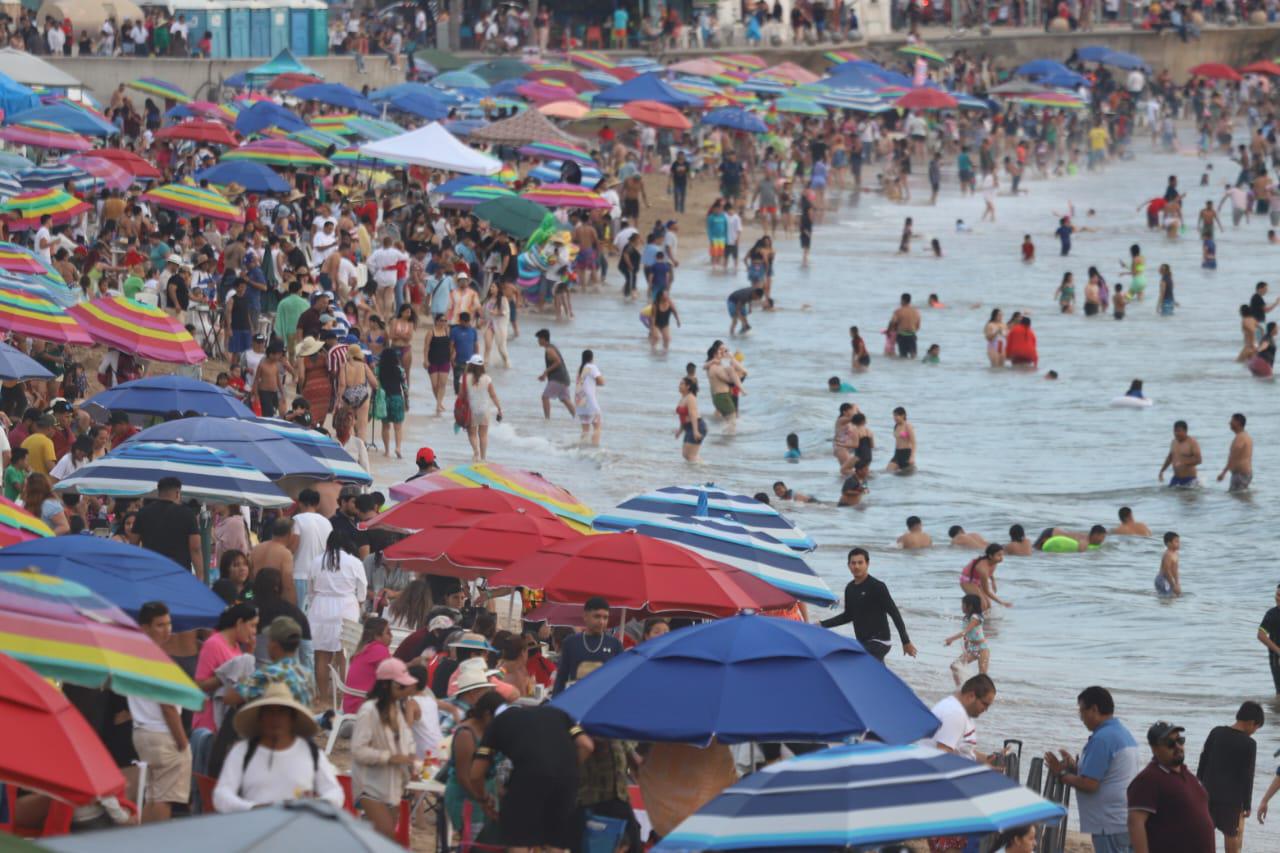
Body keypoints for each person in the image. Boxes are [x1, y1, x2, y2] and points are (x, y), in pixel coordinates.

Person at [467, 702, 595, 851]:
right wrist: (566, 769)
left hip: (528, 778)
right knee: (556, 842)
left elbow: (475, 774)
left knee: (520, 840)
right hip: (567, 781)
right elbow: (587, 745)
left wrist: (483, 800)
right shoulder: (558, 714)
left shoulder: (498, 722)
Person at [213, 683, 343, 813]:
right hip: (255, 827)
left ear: (292, 718)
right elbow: (221, 794)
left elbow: (335, 792)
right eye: (270, 712)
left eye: (282, 712)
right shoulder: (243, 751)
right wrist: (252, 808)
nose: (276, 719)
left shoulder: (310, 752)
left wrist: (316, 805)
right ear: (261, 717)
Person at [1043, 686, 1142, 853]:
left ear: (1094, 709)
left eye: (1082, 711)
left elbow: (1090, 784)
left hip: (1109, 825)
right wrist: (1076, 768)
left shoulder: (1103, 739)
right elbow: (1106, 774)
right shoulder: (1122, 733)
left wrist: (1060, 773)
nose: (1081, 717)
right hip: (1122, 821)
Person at [130, 602, 191, 823]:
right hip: (163, 734)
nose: (167, 630)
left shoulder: (135, 656)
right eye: (159, 625)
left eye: (168, 624)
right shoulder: (156, 659)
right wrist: (183, 743)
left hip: (143, 732)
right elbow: (167, 707)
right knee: (163, 799)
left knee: (153, 797)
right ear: (145, 628)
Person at [351, 657, 420, 838]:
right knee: (386, 835)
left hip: (393, 784)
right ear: (386, 685)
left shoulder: (396, 709)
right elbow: (358, 750)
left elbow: (407, 740)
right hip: (369, 785)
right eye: (400, 686)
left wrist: (411, 760)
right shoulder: (369, 711)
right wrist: (389, 757)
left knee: (377, 840)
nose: (405, 691)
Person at [1126, 721, 1215, 853]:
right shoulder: (1148, 779)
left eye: (1180, 740)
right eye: (1170, 743)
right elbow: (1135, 823)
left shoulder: (1187, 774)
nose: (1178, 746)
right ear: (1154, 748)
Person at [819, 548, 917, 662]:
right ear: (848, 565)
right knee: (876, 675)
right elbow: (848, 616)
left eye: (860, 563)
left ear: (867, 564)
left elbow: (894, 613)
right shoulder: (850, 588)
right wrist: (822, 624)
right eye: (853, 563)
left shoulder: (877, 586)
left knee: (851, 658)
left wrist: (905, 641)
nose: (856, 566)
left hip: (880, 641)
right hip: (864, 643)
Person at [307, 531, 367, 704]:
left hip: (320, 609)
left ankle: (325, 699)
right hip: (347, 608)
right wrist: (359, 602)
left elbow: (311, 591)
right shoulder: (354, 562)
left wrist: (316, 602)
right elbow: (362, 590)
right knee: (345, 655)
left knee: (322, 656)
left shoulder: (316, 561)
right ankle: (344, 698)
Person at [1196, 701, 1263, 853]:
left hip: (1207, 793)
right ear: (1252, 723)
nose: (1254, 732)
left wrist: (1198, 784)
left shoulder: (1216, 732)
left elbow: (1203, 759)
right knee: (1231, 834)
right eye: (1256, 728)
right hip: (1231, 799)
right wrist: (1247, 804)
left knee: (1204, 833)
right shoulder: (1249, 744)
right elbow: (1248, 776)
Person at [552, 596, 623, 695]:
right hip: (576, 699)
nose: (601, 622)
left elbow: (620, 679)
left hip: (603, 700)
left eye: (605, 617)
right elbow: (561, 678)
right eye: (597, 616)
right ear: (585, 616)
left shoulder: (615, 644)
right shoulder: (570, 643)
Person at [133, 477, 201, 578]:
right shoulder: (188, 514)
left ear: (159, 492)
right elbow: (195, 548)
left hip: (150, 571)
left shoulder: (143, 513)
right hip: (179, 572)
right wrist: (200, 577)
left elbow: (133, 544)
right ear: (178, 492)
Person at [930, 673, 998, 764]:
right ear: (971, 696)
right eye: (984, 704)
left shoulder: (960, 710)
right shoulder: (955, 714)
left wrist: (989, 760)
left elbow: (965, 751)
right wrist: (981, 769)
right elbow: (942, 756)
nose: (985, 710)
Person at [291, 489, 332, 607]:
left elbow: (294, 546)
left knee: (301, 615)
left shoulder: (297, 519)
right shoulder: (327, 522)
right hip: (321, 576)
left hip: (301, 574)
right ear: (317, 504)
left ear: (299, 503)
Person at [461, 355, 502, 463]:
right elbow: (493, 395)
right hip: (484, 410)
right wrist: (499, 408)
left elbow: (461, 395)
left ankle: (476, 452)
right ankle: (483, 458)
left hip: (471, 410)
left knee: (472, 434)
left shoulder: (465, 378)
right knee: (483, 435)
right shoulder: (487, 379)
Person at [944, 594, 989, 686]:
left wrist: (951, 639)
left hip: (982, 649)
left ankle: (984, 695)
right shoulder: (966, 618)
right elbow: (967, 634)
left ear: (970, 606)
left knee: (982, 677)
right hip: (972, 649)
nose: (961, 607)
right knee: (954, 666)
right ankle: (960, 688)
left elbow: (965, 631)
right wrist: (966, 645)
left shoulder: (976, 618)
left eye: (963, 605)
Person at [536, 329, 575, 419]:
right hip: (563, 378)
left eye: (539, 339)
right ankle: (577, 418)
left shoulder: (549, 350)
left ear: (543, 339)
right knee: (565, 399)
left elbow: (558, 361)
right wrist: (545, 374)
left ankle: (547, 419)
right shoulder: (551, 347)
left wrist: (545, 372)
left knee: (545, 397)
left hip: (558, 378)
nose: (538, 341)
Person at [1158, 420, 1202, 487]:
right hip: (1176, 478)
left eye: (1178, 431)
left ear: (1185, 431)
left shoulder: (1192, 443)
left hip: (1189, 479)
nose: (1176, 433)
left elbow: (1199, 460)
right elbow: (1170, 458)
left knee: (1187, 496)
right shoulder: (1174, 442)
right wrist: (1162, 471)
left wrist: (1184, 463)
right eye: (1175, 431)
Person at [575, 350, 604, 446]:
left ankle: (582, 448)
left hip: (579, 401)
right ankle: (594, 448)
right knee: (597, 426)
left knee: (585, 430)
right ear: (592, 358)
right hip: (589, 402)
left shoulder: (581, 368)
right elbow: (601, 382)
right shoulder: (592, 367)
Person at [1217, 413, 1253, 492]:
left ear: (1238, 422)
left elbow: (1233, 457)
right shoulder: (1245, 436)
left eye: (1232, 420)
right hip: (1245, 474)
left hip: (1241, 475)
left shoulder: (1240, 437)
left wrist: (1223, 473)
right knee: (1239, 499)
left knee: (1236, 497)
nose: (1229, 423)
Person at [674, 376, 704, 463]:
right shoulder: (683, 398)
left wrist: (695, 431)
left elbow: (693, 415)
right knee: (686, 454)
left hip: (697, 426)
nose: (679, 386)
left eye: (682, 384)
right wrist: (679, 431)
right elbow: (683, 417)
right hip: (688, 427)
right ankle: (696, 470)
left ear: (688, 386)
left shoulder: (690, 398)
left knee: (691, 456)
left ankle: (701, 470)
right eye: (679, 384)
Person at [1258, 584, 1280, 693]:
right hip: (1276, 659)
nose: (1277, 598)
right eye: (1277, 594)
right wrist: (1278, 651)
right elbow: (1261, 635)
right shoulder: (1271, 614)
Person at [886, 406, 916, 472]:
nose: (894, 418)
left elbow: (914, 442)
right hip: (897, 453)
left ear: (903, 415)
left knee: (905, 476)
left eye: (896, 416)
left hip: (906, 454)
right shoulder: (896, 426)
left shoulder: (908, 426)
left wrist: (912, 457)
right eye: (894, 416)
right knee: (888, 471)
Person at [890, 293, 921, 358]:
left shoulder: (898, 311)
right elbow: (918, 326)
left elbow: (893, 322)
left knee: (903, 357)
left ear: (903, 300)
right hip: (912, 336)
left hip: (902, 336)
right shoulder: (916, 311)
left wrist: (890, 331)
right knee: (913, 356)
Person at [1156, 532, 1181, 597]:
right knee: (1167, 597)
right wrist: (1173, 585)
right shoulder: (1168, 554)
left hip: (1169, 579)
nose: (1179, 544)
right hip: (1163, 579)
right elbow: (1167, 571)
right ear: (1169, 543)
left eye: (1179, 542)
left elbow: (1175, 570)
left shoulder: (1175, 554)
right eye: (1176, 542)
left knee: (1174, 596)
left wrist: (1177, 583)